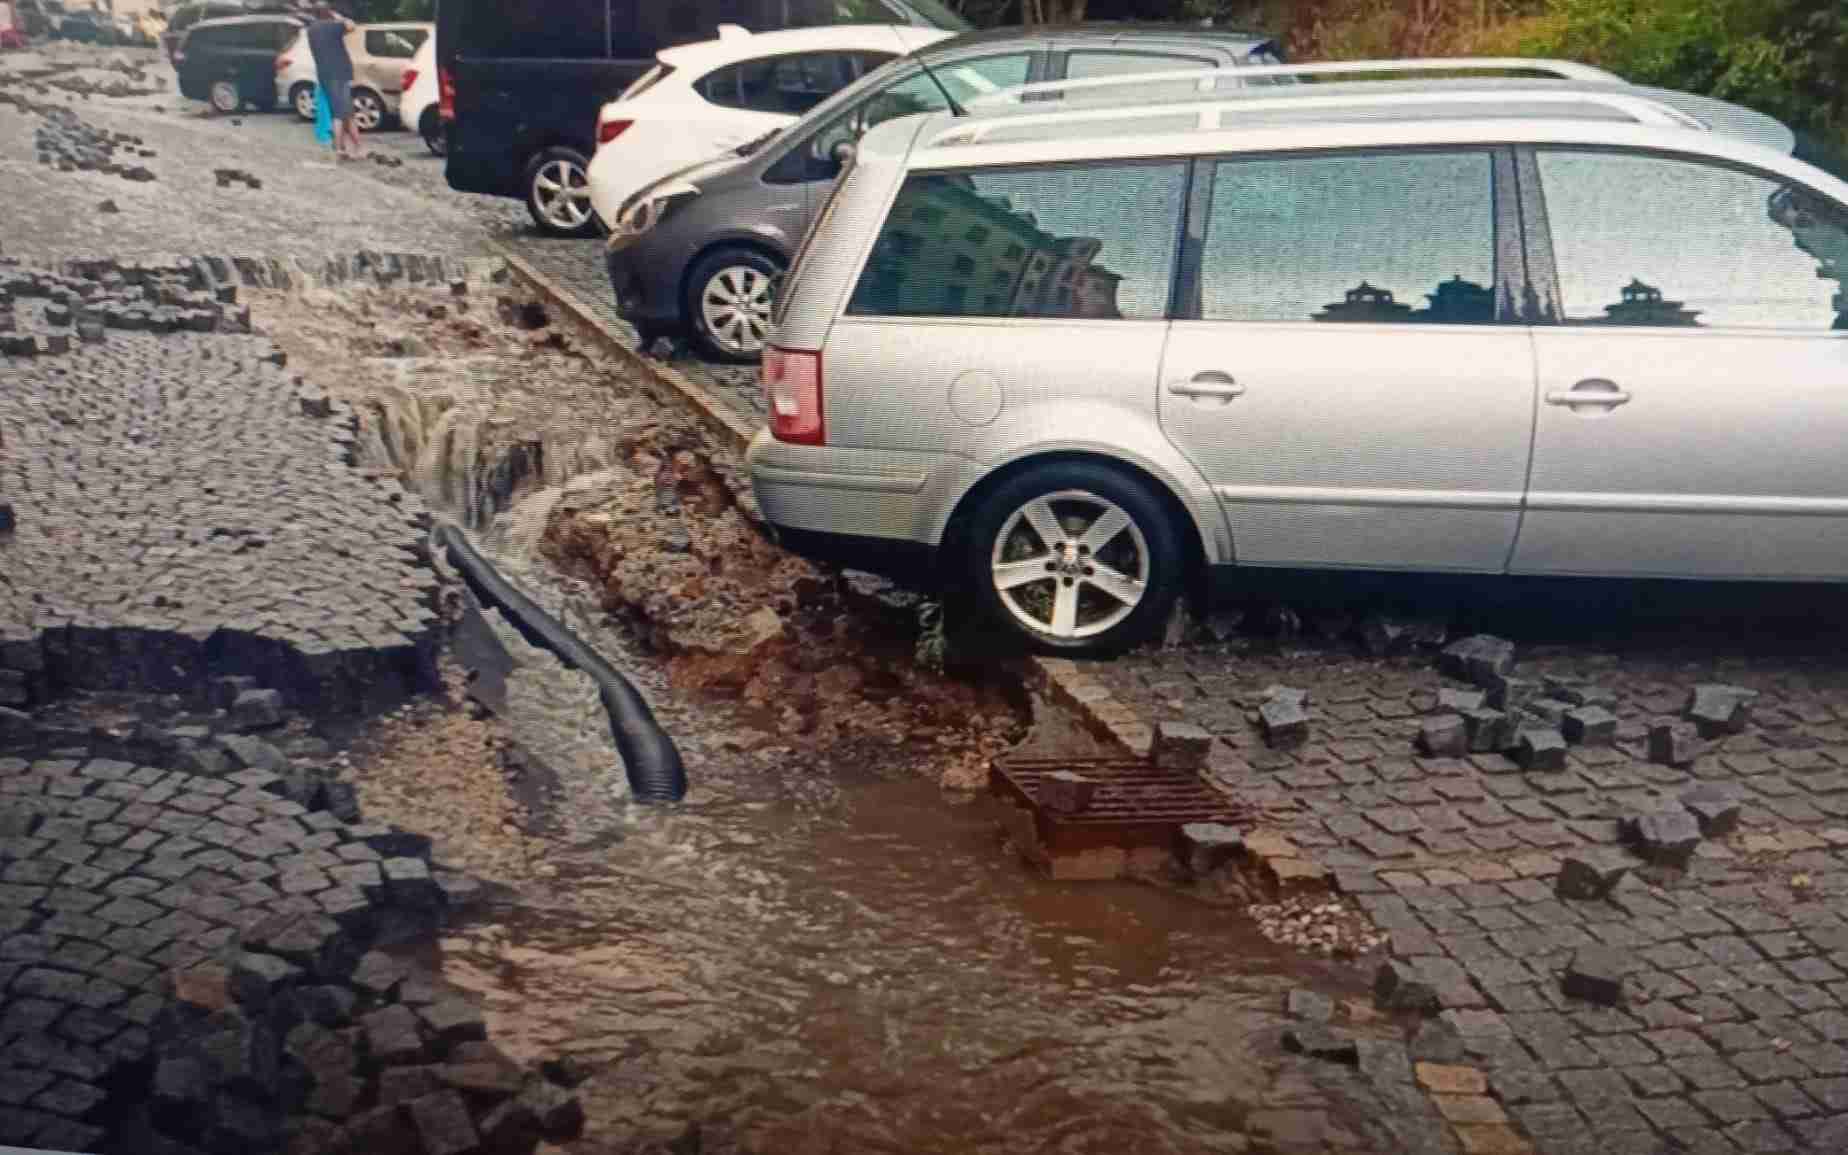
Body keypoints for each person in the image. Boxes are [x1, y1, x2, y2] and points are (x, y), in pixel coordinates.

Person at [307, 5, 360, 159]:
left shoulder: (312, 30)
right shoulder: (332, 26)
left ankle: (353, 146)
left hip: (324, 75)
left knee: (344, 112)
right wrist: (339, 17)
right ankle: (339, 148)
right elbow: (352, 25)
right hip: (340, 73)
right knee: (341, 113)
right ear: (329, 13)